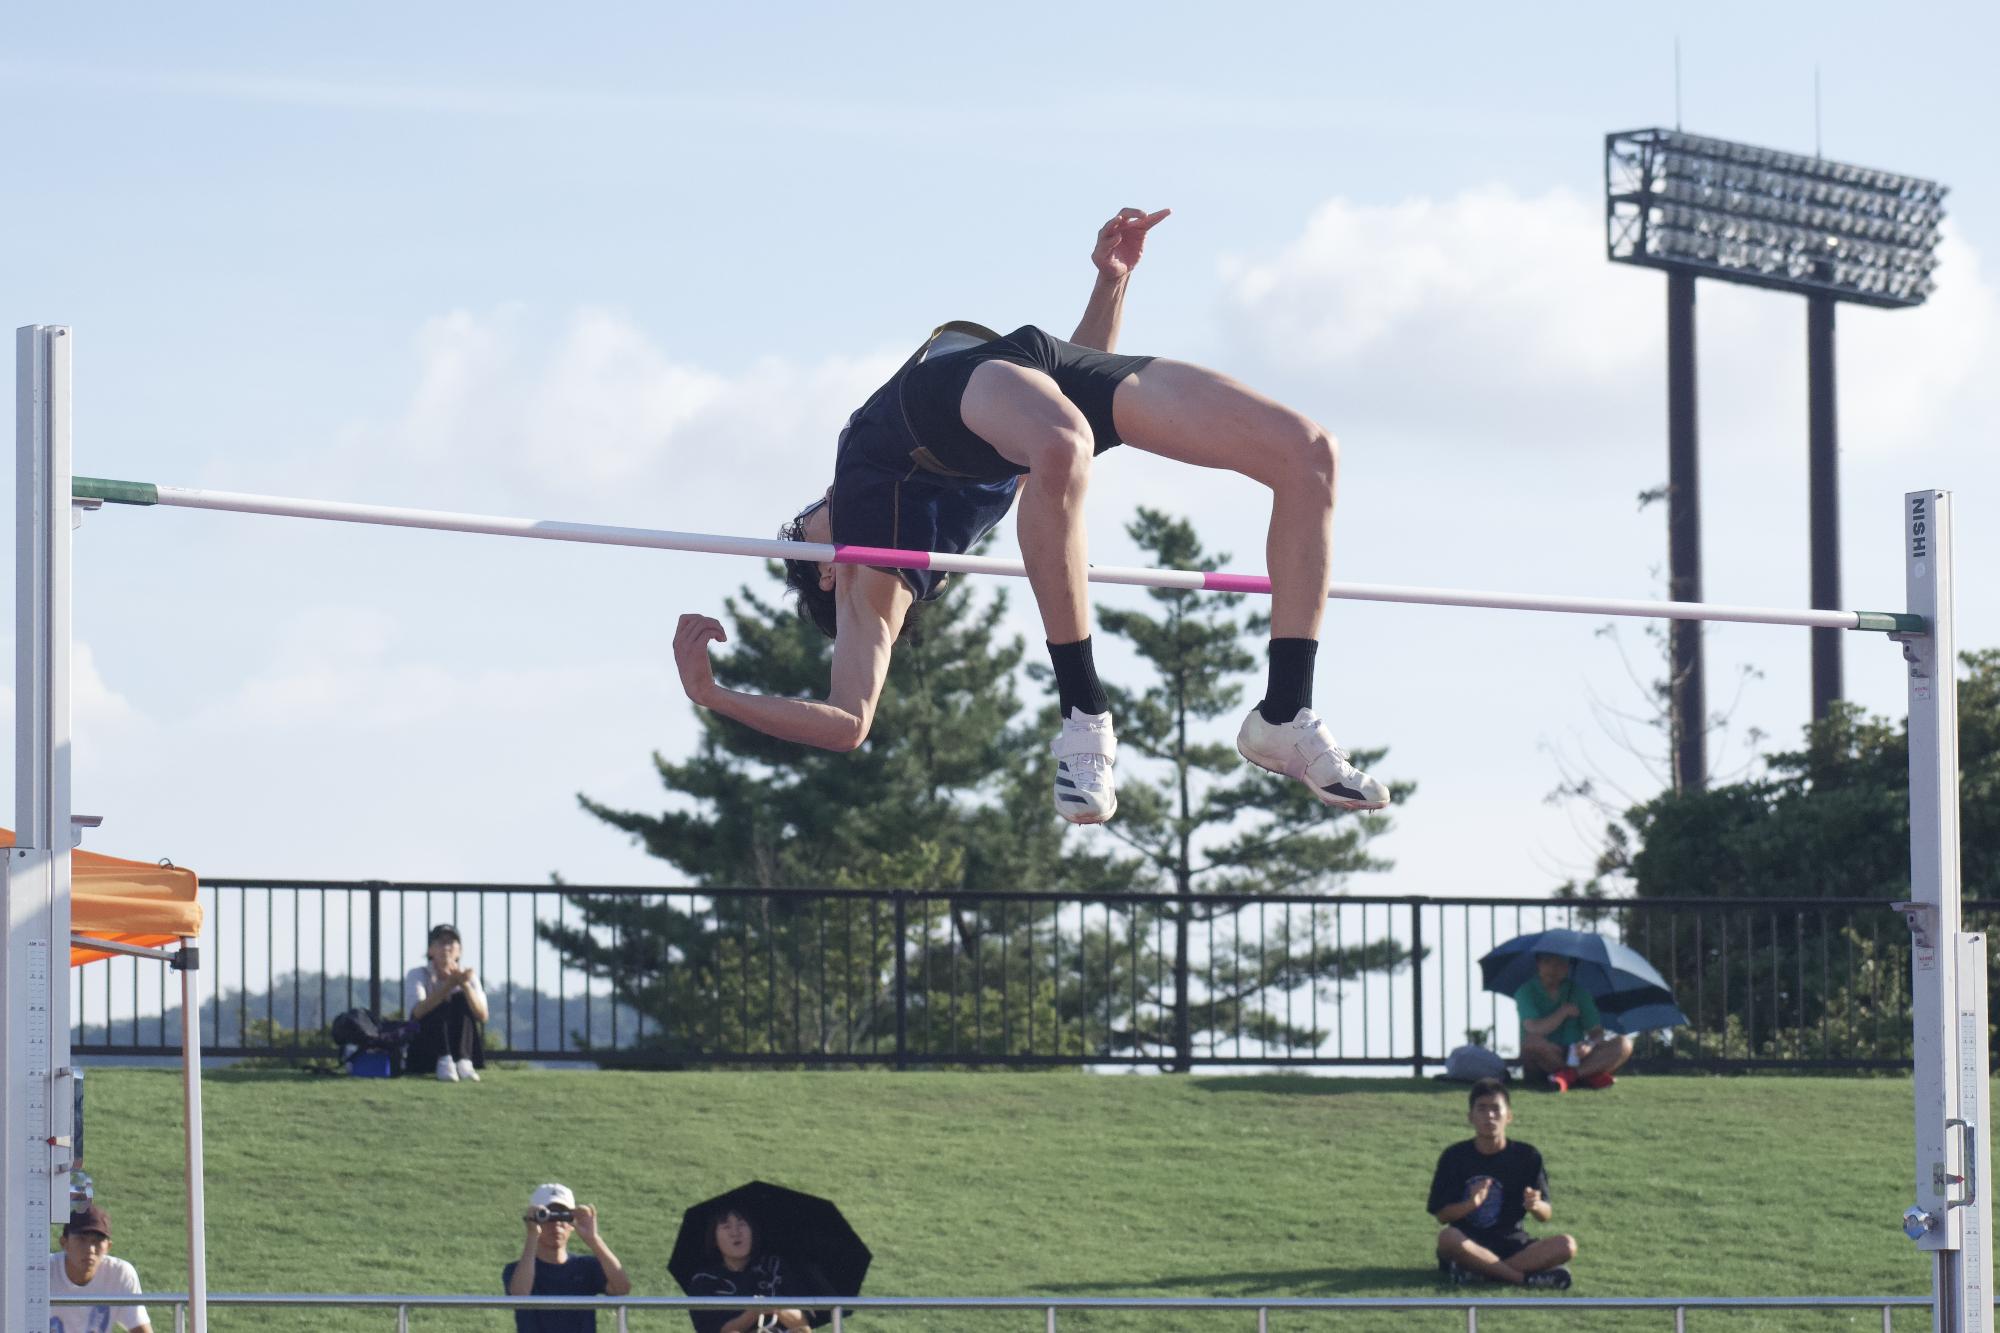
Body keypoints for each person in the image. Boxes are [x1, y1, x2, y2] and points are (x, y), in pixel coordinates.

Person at [672, 207, 1391, 826]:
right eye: (802, 531)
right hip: (956, 405)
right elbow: (849, 721)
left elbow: (1061, 401)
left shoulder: (1019, 463)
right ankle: (1083, 717)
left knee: (1308, 453)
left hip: (1021, 366)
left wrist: (1112, 280)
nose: (812, 510)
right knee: (1062, 447)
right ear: (825, 577)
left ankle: (1282, 714)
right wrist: (713, 695)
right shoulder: (871, 570)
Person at [1428, 1078, 1577, 1289]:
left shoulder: (1527, 1156)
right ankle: (1522, 1279)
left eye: (1496, 1109)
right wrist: (1471, 1203)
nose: (1489, 1115)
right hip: (1468, 1244)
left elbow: (1546, 1214)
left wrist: (1535, 1206)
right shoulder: (1454, 1156)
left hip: (1513, 1245)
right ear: (1470, 1117)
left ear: (1509, 1116)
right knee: (1447, 1238)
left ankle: (1478, 1273)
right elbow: (1442, 1215)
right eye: (1481, 1109)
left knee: (1567, 1245)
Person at [503, 1183, 632, 1333]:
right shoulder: (515, 1270)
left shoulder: (586, 1267)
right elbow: (519, 1296)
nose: (557, 1224)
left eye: (564, 1216)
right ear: (535, 1219)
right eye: (548, 1216)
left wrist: (593, 1238)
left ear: (572, 1223)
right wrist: (533, 1234)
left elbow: (622, 1288)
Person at [1514, 952, 1634, 1091]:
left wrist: (1588, 1045)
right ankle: (1585, 1076)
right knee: (1532, 1043)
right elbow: (1534, 1028)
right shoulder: (1525, 991)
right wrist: (1562, 1012)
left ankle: (1569, 1076)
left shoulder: (1579, 993)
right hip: (1547, 1055)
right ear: (1538, 964)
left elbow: (1596, 1032)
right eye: (1547, 962)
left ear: (1567, 968)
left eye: (1560, 964)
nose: (1553, 969)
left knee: (1624, 1043)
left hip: (1575, 1055)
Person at [683, 1206, 813, 1333]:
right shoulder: (705, 1280)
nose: (735, 1233)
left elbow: (804, 1327)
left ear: (753, 1230)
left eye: (742, 1224)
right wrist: (754, 1312)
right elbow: (717, 1330)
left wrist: (776, 1306)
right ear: (714, 1238)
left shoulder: (776, 1266)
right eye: (726, 1226)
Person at [48, 1203, 152, 1333]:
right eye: (82, 1239)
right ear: (64, 1243)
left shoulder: (119, 1274)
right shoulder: (41, 1271)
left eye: (97, 1241)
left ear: (108, 1247)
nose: (90, 1249)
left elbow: (140, 1328)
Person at [404, 922, 489, 1081]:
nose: (446, 947)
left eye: (451, 942)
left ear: (459, 950)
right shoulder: (417, 974)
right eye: (440, 942)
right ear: (430, 950)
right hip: (427, 1048)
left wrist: (463, 985)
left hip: (459, 1044)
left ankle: (464, 1061)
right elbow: (417, 1012)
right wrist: (448, 986)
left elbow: (482, 1015)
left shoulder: (468, 977)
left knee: (461, 999)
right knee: (438, 1002)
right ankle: (444, 1059)